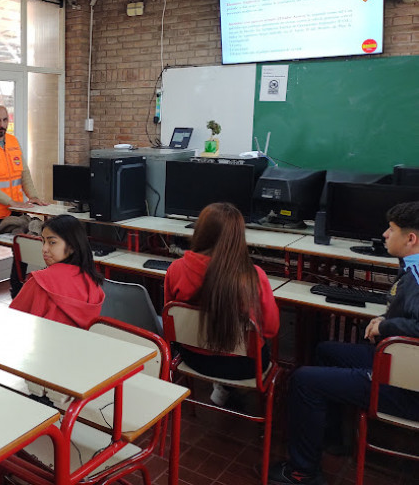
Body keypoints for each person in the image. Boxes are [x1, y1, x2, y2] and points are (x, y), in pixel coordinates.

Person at [269, 201, 419, 485]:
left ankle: (303, 472)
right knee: (326, 351)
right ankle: (331, 437)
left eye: (392, 229)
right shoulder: (412, 267)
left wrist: (387, 325)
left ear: (411, 239)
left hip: (407, 387)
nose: (385, 234)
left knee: (303, 380)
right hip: (401, 367)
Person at [164, 202, 279, 404]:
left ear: (199, 232)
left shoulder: (175, 269)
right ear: (238, 238)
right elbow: (271, 329)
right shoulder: (254, 277)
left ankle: (222, 389)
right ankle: (229, 390)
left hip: (193, 359)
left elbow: (170, 321)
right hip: (243, 368)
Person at [0, 104, 48, 301]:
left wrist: (33, 196)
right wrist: (13, 202)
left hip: (15, 211)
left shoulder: (13, 141)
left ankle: (17, 293)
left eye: (5, 120)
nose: (2, 125)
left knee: (21, 249)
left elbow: (24, 173)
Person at [10, 214, 104, 329]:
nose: (44, 249)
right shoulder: (92, 281)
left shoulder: (40, 282)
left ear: (72, 246)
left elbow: (13, 320)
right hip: (80, 345)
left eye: (52, 242)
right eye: (43, 241)